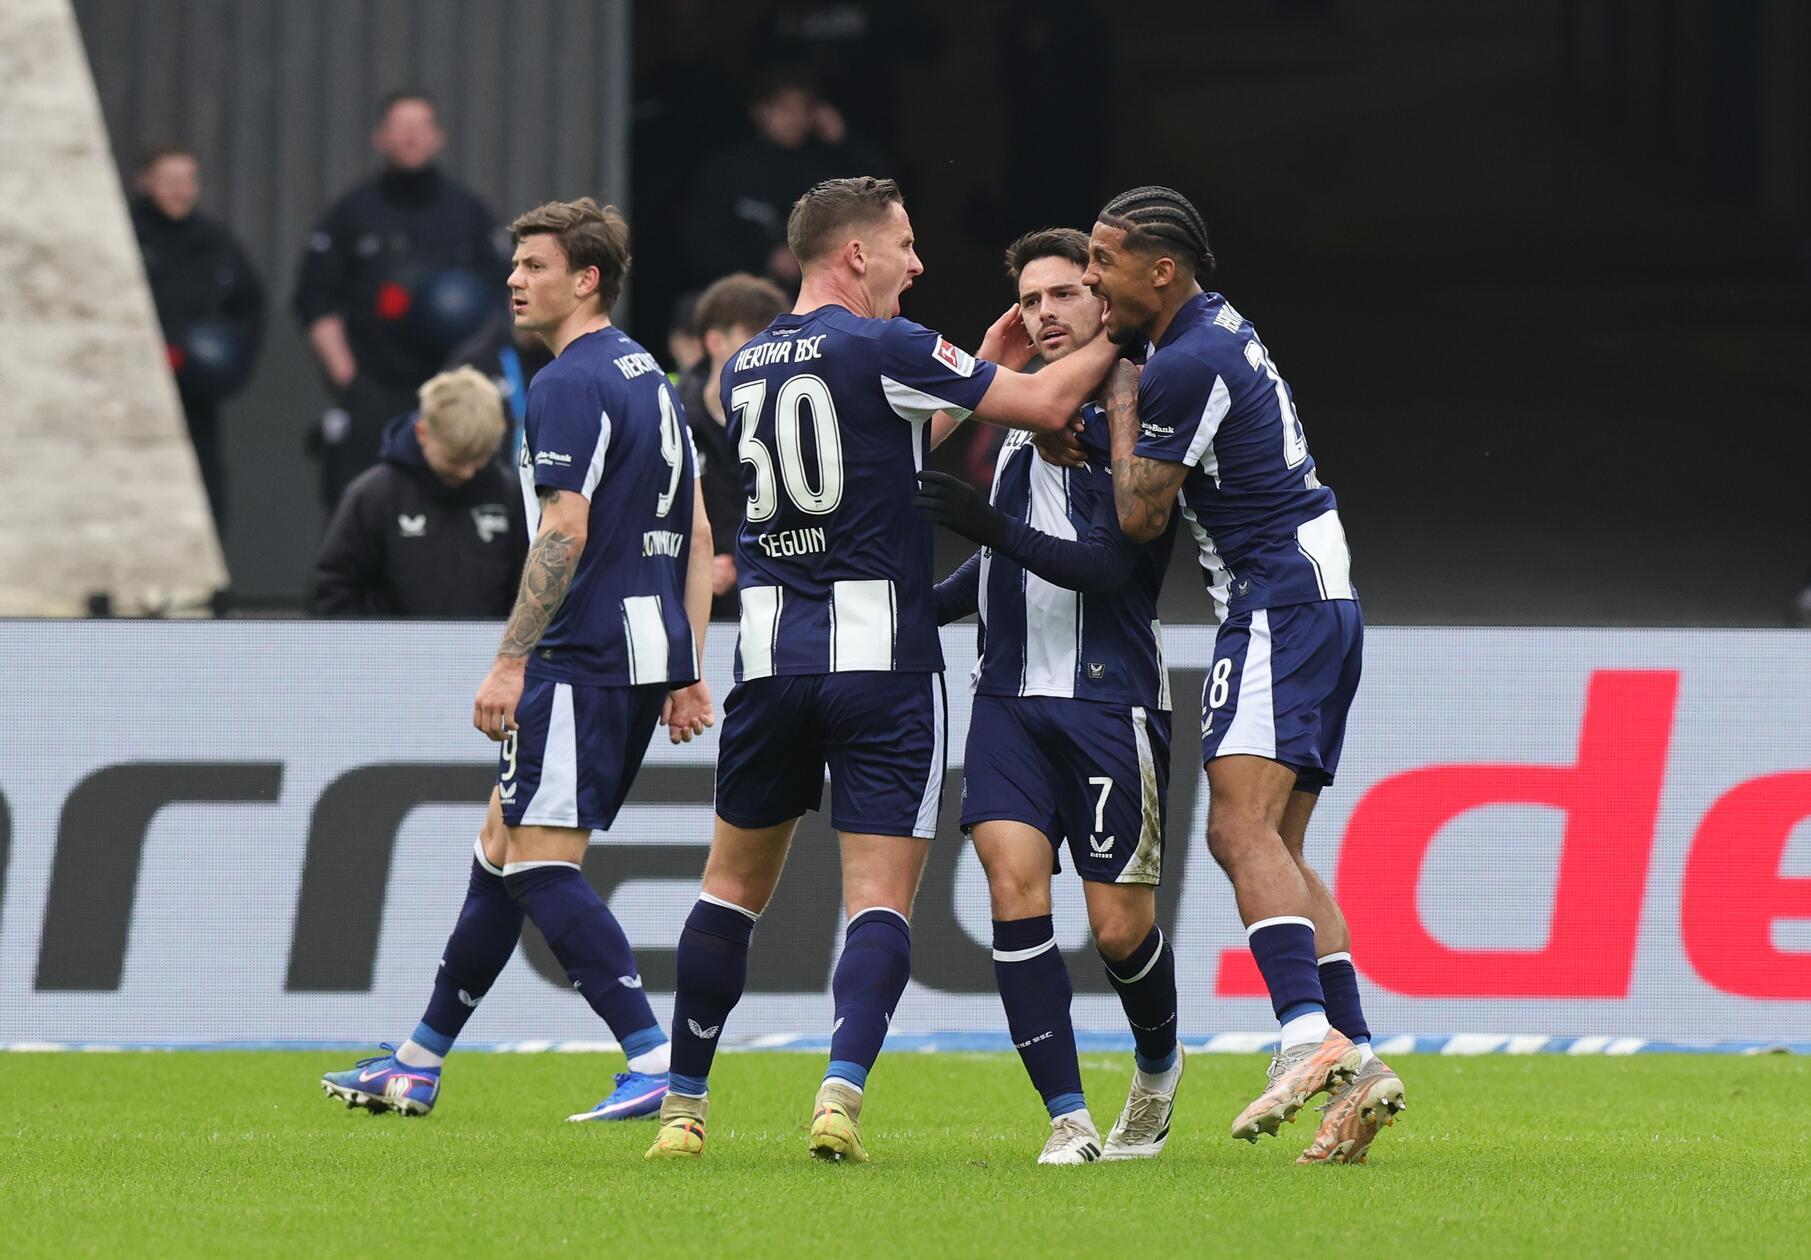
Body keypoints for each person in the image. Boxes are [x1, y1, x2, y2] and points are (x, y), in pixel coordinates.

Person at [645, 176, 1117, 1164]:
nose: (917, 262)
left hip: (769, 657)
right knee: (876, 899)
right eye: (903, 244)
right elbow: (1045, 401)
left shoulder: (743, 367)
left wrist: (980, 358)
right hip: (881, 663)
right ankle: (838, 1096)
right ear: (854, 253)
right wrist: (1129, 328)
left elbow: (872, 445)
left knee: (727, 889)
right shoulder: (887, 344)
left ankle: (682, 1109)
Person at [321, 197, 715, 1124]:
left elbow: (563, 529)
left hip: (581, 655)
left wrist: (510, 662)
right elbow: (696, 531)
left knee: (540, 865)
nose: (513, 280)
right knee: (499, 853)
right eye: (515, 264)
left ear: (586, 279)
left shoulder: (567, 382)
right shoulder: (650, 375)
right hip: (640, 651)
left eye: (535, 265)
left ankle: (654, 1058)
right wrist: (687, 664)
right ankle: (417, 1061)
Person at [1083, 185, 1405, 1164]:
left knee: (1235, 829)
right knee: (1281, 845)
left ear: (1161, 271)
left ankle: (1305, 1036)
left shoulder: (1182, 362)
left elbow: (1138, 514)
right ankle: (1361, 1064)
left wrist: (1116, 400)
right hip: (1321, 593)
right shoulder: (1213, 332)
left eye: (1102, 261)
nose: (1091, 279)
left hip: (1276, 601)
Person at [914, 228, 1181, 1166]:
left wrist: (982, 523)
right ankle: (1067, 1117)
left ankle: (1156, 1070)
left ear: (1104, 299)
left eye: (1062, 293)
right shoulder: (1023, 425)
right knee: (1011, 885)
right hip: (1005, 704)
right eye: (1029, 301)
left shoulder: (1137, 415)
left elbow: (1108, 567)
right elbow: (999, 571)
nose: (1044, 313)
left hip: (1109, 703)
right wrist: (911, 607)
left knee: (1118, 929)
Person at [294, 91, 510, 510]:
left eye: (421, 127)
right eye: (401, 127)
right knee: (363, 512)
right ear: (380, 137)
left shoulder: (468, 213)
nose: (411, 137)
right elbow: (314, 298)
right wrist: (348, 379)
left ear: (437, 137)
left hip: (453, 392)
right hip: (376, 389)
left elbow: (505, 297)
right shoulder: (352, 213)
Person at [307, 366, 525, 617]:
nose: (467, 472)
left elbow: (532, 591)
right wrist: (370, 641)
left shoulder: (510, 496)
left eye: (477, 459)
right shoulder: (375, 495)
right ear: (422, 433)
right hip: (391, 643)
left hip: (493, 643)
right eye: (454, 461)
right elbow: (333, 589)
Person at [130, 145, 265, 536]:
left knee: (203, 495)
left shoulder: (214, 242)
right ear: (145, 182)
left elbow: (250, 307)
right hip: (133, 402)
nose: (180, 191)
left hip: (196, 400)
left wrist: (229, 366)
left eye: (188, 181)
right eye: (169, 181)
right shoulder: (123, 235)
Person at [681, 69, 886, 290]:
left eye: (804, 109)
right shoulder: (728, 171)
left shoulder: (828, 166)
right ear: (760, 111)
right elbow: (704, 242)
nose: (795, 118)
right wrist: (766, 260)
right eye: (785, 108)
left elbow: (880, 201)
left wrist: (843, 141)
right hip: (745, 293)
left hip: (823, 294)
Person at [677, 273, 790, 621]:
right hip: (692, 617)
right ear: (715, 342)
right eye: (752, 342)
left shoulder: (793, 420)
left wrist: (740, 564)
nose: (764, 356)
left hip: (779, 613)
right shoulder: (671, 419)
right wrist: (692, 564)